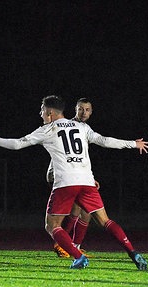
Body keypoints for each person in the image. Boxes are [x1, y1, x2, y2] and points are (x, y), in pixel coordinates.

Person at [0, 95, 148, 270]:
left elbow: (17, 144)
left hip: (66, 182)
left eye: (42, 110)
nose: (41, 114)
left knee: (51, 225)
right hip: (87, 181)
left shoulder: (47, 129)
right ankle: (133, 252)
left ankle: (78, 257)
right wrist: (133, 144)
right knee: (105, 221)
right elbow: (104, 141)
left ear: (50, 112)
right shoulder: (82, 127)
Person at [49, 98, 96, 258]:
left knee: (87, 212)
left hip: (78, 177)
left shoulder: (85, 129)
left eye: (87, 110)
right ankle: (62, 245)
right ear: (75, 109)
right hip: (66, 176)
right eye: (81, 109)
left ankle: (75, 246)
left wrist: (89, 178)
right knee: (77, 210)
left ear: (91, 112)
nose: (84, 112)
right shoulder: (67, 126)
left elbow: (80, 157)